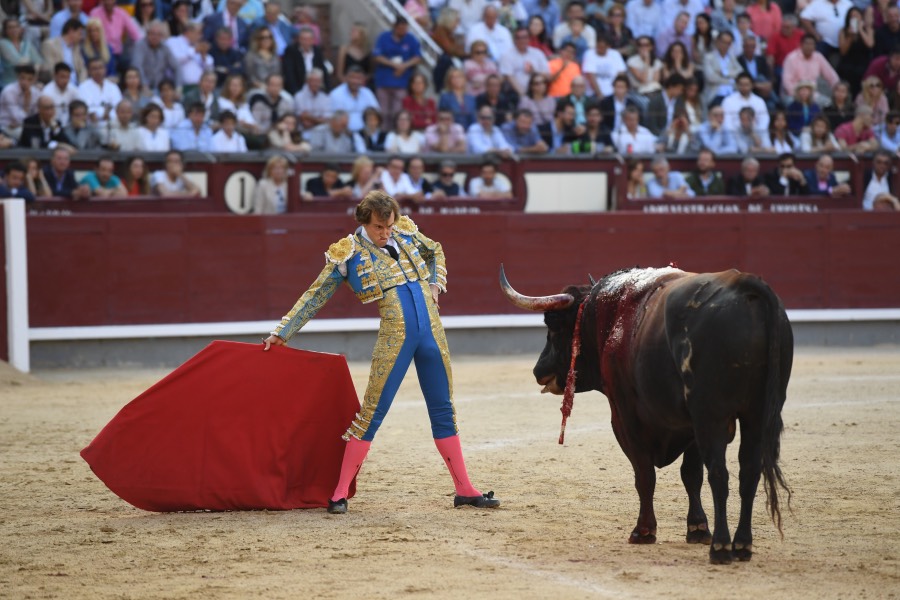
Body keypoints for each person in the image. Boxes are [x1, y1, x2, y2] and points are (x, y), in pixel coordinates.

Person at [262, 191, 500, 514]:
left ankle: (464, 489)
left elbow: (436, 251)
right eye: (378, 227)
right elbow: (315, 294)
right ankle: (339, 493)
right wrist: (283, 331)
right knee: (372, 412)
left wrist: (434, 285)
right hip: (395, 338)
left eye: (388, 225)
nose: (386, 232)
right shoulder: (348, 253)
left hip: (432, 331)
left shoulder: (404, 230)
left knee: (444, 408)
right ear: (363, 222)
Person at [372, 17, 422, 128]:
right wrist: (394, 65)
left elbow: (418, 57)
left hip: (401, 83)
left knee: (398, 113)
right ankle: (383, 136)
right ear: (395, 27)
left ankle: (396, 134)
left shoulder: (410, 39)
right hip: (384, 81)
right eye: (400, 28)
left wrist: (404, 66)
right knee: (383, 112)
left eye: (405, 28)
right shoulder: (384, 37)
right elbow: (377, 56)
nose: (403, 31)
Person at [781, 34, 840, 102]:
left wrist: (838, 89)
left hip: (813, 96)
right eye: (807, 44)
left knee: (828, 103)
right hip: (793, 95)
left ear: (815, 46)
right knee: (793, 105)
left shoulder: (818, 57)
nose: (809, 46)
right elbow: (787, 82)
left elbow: (831, 75)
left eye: (812, 44)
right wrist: (799, 96)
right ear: (800, 45)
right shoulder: (791, 58)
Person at [499, 26, 550, 98]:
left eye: (524, 37)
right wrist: (523, 95)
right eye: (519, 38)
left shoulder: (537, 53)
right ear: (514, 40)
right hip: (516, 94)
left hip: (538, 94)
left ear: (529, 39)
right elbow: (509, 77)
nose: (522, 40)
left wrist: (534, 71)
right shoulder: (507, 55)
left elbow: (547, 76)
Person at [131, 20, 179, 92]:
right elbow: (137, 66)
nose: (155, 37)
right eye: (152, 34)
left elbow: (177, 67)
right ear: (147, 34)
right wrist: (144, 84)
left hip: (160, 87)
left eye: (158, 34)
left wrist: (178, 87)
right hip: (142, 87)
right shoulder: (140, 45)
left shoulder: (165, 47)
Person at [328, 66, 380, 132]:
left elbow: (376, 113)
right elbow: (333, 118)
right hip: (344, 134)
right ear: (346, 78)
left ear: (363, 80)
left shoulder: (367, 93)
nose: (355, 81)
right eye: (352, 78)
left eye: (358, 78)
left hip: (366, 134)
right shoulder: (336, 94)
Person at [282, 26, 330, 96]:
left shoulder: (317, 51)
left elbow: (323, 70)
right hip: (299, 87)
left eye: (308, 39)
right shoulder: (291, 51)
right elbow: (289, 74)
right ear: (299, 40)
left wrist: (328, 89)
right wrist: (296, 93)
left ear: (313, 40)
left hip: (316, 87)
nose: (306, 42)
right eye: (303, 39)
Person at [41, 18, 88, 86]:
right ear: (71, 31)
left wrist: (82, 85)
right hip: (58, 85)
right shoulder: (50, 45)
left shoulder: (76, 48)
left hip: (76, 86)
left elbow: (82, 69)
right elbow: (50, 69)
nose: (81, 37)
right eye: (79, 33)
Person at [0, 18, 45, 88]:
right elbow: (16, 62)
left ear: (20, 29)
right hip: (9, 83)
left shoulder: (26, 43)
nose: (14, 29)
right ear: (5, 30)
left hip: (28, 82)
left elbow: (39, 62)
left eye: (16, 27)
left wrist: (33, 69)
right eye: (10, 27)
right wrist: (31, 64)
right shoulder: (2, 43)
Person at [0, 64, 40, 141]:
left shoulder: (36, 92)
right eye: (22, 78)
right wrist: (26, 103)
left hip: (26, 126)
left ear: (34, 79)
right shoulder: (9, 91)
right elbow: (18, 117)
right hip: (6, 127)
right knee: (28, 134)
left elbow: (37, 115)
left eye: (29, 79)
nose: (25, 82)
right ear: (17, 77)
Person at [702, 31, 742, 107]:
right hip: (715, 95)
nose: (725, 45)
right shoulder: (709, 57)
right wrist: (730, 81)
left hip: (732, 94)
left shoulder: (732, 57)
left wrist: (725, 72)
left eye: (728, 43)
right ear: (717, 41)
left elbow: (740, 73)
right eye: (723, 42)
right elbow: (711, 77)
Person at [582, 33, 627, 99]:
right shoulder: (589, 54)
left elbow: (621, 74)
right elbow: (591, 76)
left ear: (608, 47)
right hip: (594, 94)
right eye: (598, 46)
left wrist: (617, 92)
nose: (600, 49)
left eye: (602, 47)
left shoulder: (615, 54)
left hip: (613, 94)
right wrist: (600, 95)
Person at [293, 67, 331, 132]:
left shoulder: (325, 98)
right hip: (302, 132)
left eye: (318, 81)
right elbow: (304, 122)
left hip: (321, 132)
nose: (315, 84)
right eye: (313, 81)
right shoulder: (299, 96)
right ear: (307, 81)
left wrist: (309, 117)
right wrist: (319, 120)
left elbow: (327, 120)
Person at [336, 23, 373, 88]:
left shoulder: (367, 51)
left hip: (363, 86)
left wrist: (361, 81)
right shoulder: (344, 49)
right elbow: (339, 74)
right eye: (351, 31)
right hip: (346, 86)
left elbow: (370, 72)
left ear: (362, 34)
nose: (350, 33)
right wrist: (350, 85)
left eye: (354, 31)